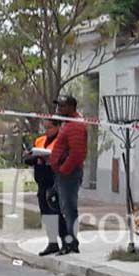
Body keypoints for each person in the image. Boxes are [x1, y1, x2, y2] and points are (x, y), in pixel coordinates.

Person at [49, 95, 88, 255]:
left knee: (69, 209)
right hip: (62, 173)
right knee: (60, 205)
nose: (59, 109)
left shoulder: (76, 126)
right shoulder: (68, 124)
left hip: (69, 174)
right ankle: (67, 240)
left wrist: (63, 169)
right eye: (58, 106)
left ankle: (71, 243)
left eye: (62, 106)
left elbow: (77, 153)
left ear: (72, 107)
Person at [23, 119, 68, 256]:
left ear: (57, 127)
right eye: (45, 127)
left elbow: (65, 158)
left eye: (49, 127)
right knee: (46, 213)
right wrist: (33, 157)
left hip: (55, 180)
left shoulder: (62, 141)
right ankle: (52, 243)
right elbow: (28, 159)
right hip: (41, 181)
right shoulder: (40, 140)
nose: (47, 130)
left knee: (57, 213)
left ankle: (66, 243)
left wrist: (50, 158)